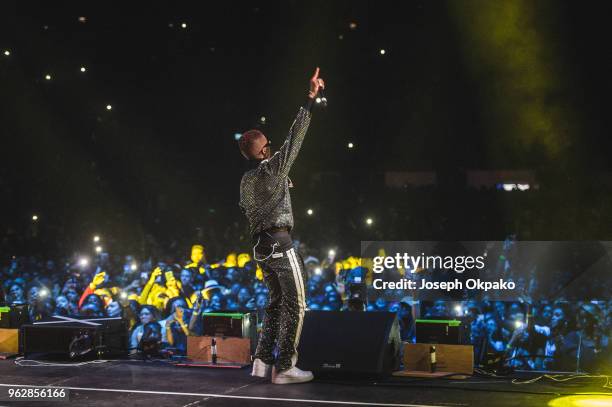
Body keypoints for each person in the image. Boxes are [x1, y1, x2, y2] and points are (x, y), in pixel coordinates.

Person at [238, 67, 324, 384]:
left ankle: (261, 361)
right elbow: (296, 136)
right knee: (296, 304)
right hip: (279, 243)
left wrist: (281, 185)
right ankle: (285, 366)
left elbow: (256, 201)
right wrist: (311, 98)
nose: (273, 147)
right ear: (263, 151)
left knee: (275, 304)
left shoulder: (247, 180)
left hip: (260, 247)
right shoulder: (272, 169)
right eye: (269, 145)